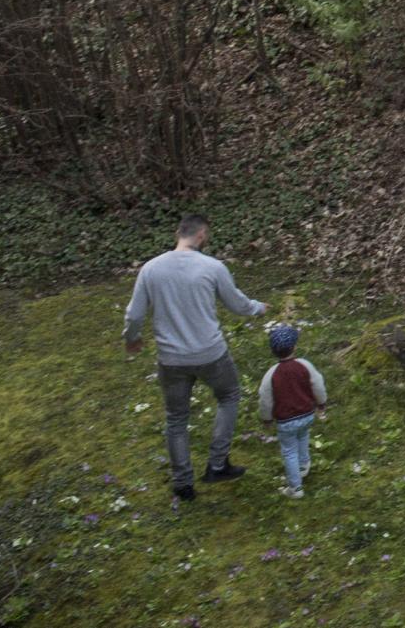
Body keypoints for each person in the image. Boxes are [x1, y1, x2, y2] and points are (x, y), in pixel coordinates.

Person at [122, 214, 267, 502]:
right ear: (201, 235)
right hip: (211, 354)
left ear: (178, 232)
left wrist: (132, 338)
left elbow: (134, 314)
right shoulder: (213, 267)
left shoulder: (151, 269)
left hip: (171, 359)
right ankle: (217, 464)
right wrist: (257, 308)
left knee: (176, 418)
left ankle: (183, 484)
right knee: (229, 396)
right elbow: (236, 302)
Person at [256, 324, 328, 499]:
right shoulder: (305, 365)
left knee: (289, 451)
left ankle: (295, 488)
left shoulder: (271, 375)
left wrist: (266, 419)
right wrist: (321, 403)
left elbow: (265, 400)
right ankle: (304, 465)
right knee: (303, 436)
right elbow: (317, 384)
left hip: (286, 421)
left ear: (273, 351)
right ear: (294, 346)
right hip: (307, 414)